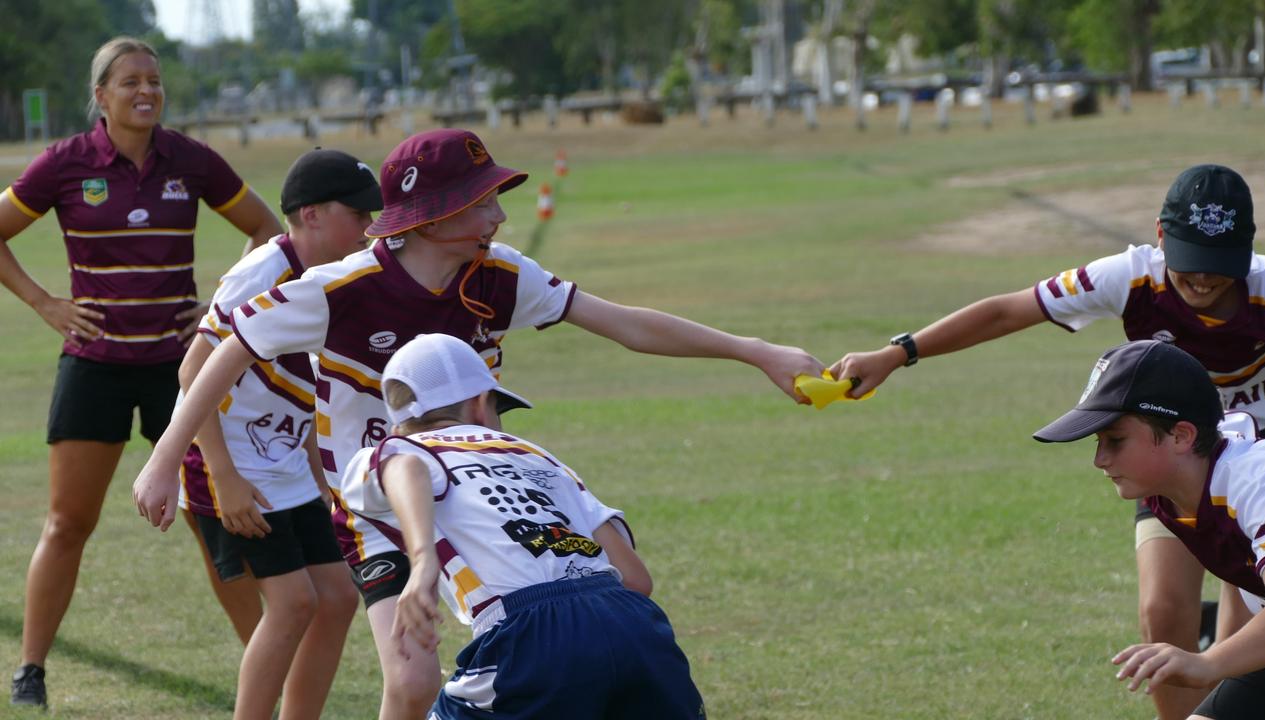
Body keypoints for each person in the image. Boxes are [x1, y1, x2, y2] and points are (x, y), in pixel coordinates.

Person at [132, 127, 820, 719]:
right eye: (480, 199)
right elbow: (223, 356)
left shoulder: (499, 278)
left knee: (600, 607)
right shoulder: (342, 290)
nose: (497, 213)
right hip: (374, 507)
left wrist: (755, 352)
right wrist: (166, 459)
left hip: (467, 497)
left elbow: (626, 325)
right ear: (429, 217)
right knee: (411, 678)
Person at [829, 164, 1265, 718]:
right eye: (1189, 262)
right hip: (1172, 458)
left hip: (1254, 465)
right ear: (1161, 237)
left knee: (1247, 633)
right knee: (1163, 607)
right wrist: (898, 352)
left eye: (1218, 266)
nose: (1203, 281)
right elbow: (1007, 309)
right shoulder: (1131, 277)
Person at [0, 36, 281, 708]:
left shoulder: (189, 159)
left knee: (214, 523)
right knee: (69, 523)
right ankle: (31, 670)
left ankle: (266, 668)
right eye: (130, 82)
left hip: (180, 373)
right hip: (93, 369)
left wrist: (217, 308)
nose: (146, 91)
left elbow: (267, 232)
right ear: (101, 96)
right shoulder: (65, 164)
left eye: (153, 80)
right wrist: (45, 303)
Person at [349, 333, 705, 718]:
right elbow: (637, 579)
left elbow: (405, 467)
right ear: (481, 405)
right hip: (632, 622)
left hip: (528, 634)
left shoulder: (398, 450)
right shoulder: (537, 455)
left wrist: (422, 563)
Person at [174, 148, 379, 719]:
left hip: (284, 459)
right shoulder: (263, 272)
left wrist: (327, 481)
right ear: (310, 214)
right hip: (229, 459)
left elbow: (305, 386)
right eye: (357, 213)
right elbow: (193, 371)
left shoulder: (338, 276)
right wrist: (225, 477)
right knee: (291, 605)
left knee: (337, 598)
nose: (369, 227)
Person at [1033, 339, 1265, 720]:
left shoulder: (1261, 480)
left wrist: (1210, 662)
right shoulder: (1172, 494)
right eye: (1098, 442)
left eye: (1115, 440)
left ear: (1181, 436)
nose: (1099, 459)